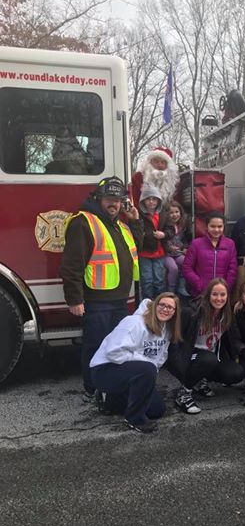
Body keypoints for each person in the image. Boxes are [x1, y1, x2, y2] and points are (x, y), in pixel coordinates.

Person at [60, 176, 142, 398]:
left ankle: (109, 387)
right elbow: (71, 265)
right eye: (109, 199)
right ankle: (92, 388)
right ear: (98, 198)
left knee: (116, 346)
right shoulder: (83, 222)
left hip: (119, 300)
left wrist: (135, 221)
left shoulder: (121, 225)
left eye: (118, 200)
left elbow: (138, 247)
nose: (114, 204)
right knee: (95, 346)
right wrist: (75, 299)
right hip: (97, 302)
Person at [90, 293, 182, 434]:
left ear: (174, 313)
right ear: (154, 305)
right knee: (147, 369)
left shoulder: (167, 329)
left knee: (157, 410)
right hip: (105, 370)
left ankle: (110, 400)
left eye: (170, 307)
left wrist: (148, 375)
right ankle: (134, 419)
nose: (165, 309)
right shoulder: (134, 322)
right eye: (162, 305)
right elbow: (113, 352)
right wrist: (146, 366)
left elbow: (160, 357)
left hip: (131, 371)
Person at [173, 278, 245, 414]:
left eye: (223, 295)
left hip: (210, 356)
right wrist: (177, 363)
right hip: (191, 356)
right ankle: (184, 393)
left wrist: (243, 350)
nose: (219, 298)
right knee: (208, 359)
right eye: (215, 294)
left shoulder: (227, 314)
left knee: (235, 373)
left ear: (227, 296)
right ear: (208, 295)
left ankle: (199, 381)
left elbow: (234, 338)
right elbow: (176, 339)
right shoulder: (192, 312)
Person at [183, 211, 237, 297]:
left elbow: (232, 270)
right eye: (212, 226)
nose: (216, 230)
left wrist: (225, 287)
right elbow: (187, 268)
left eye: (219, 226)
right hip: (200, 293)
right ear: (207, 226)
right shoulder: (196, 244)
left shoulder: (230, 244)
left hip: (221, 294)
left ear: (224, 227)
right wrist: (200, 285)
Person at [138, 185, 166, 300]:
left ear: (158, 201)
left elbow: (170, 228)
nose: (151, 202)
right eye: (148, 199)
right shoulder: (139, 215)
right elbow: (138, 231)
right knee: (147, 280)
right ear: (143, 201)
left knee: (159, 280)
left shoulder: (163, 214)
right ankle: (147, 304)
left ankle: (159, 303)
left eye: (154, 199)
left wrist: (164, 234)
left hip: (159, 253)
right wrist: (148, 235)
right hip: (145, 253)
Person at [162, 200, 192, 294]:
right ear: (166, 214)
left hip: (178, 253)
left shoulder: (182, 225)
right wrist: (169, 247)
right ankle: (171, 289)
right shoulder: (164, 225)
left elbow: (186, 239)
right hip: (167, 254)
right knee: (173, 268)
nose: (174, 215)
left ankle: (182, 286)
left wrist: (185, 248)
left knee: (186, 263)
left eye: (176, 212)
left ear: (180, 213)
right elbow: (162, 241)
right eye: (171, 212)